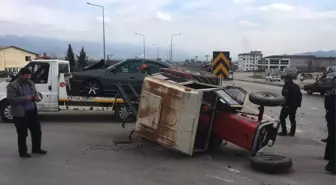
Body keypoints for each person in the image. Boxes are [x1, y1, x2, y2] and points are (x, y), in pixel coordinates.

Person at [7, 68, 47, 158]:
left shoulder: (31, 83)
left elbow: (35, 94)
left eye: (29, 75)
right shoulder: (12, 86)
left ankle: (36, 149)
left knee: (37, 131)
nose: (28, 77)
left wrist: (37, 98)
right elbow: (11, 99)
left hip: (32, 111)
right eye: (26, 76)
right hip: (20, 114)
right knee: (22, 133)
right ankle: (23, 152)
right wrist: (25, 98)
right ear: (21, 75)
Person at [324, 78, 336, 173]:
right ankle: (332, 165)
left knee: (332, 139)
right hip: (333, 117)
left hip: (331, 117)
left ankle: (329, 159)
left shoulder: (330, 91)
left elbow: (327, 105)